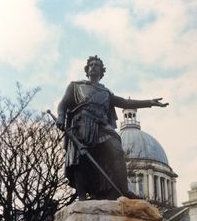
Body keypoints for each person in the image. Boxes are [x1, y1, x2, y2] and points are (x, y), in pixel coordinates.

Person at [56, 55, 168, 200]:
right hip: (82, 124)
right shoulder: (76, 86)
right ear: (87, 69)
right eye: (91, 65)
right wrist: (60, 117)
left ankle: (123, 190)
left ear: (102, 71)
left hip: (102, 126)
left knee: (116, 151)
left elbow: (124, 103)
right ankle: (82, 196)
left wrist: (149, 102)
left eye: (97, 65)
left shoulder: (106, 92)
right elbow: (63, 103)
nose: (93, 67)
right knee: (81, 159)